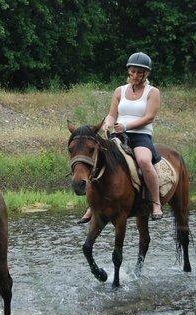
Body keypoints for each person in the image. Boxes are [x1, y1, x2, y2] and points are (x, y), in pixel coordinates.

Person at [78, 51, 163, 224]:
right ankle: (92, 205)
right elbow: (111, 114)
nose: (136, 75)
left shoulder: (152, 92)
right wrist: (107, 124)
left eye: (140, 72)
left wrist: (126, 125)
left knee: (144, 161)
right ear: (128, 71)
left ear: (146, 74)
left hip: (141, 135)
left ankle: (156, 202)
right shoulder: (119, 91)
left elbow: (149, 117)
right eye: (133, 71)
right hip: (118, 133)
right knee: (100, 160)